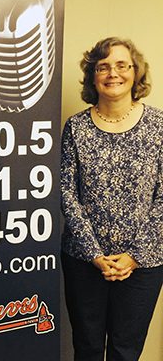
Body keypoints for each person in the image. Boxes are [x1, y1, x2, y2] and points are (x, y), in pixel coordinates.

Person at [61, 37, 163, 361]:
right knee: (87, 349)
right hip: (84, 261)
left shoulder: (159, 126)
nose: (112, 73)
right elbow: (67, 193)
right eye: (102, 67)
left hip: (143, 263)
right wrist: (93, 254)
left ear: (136, 72)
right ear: (93, 76)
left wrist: (134, 256)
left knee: (125, 352)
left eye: (121, 65)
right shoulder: (76, 128)